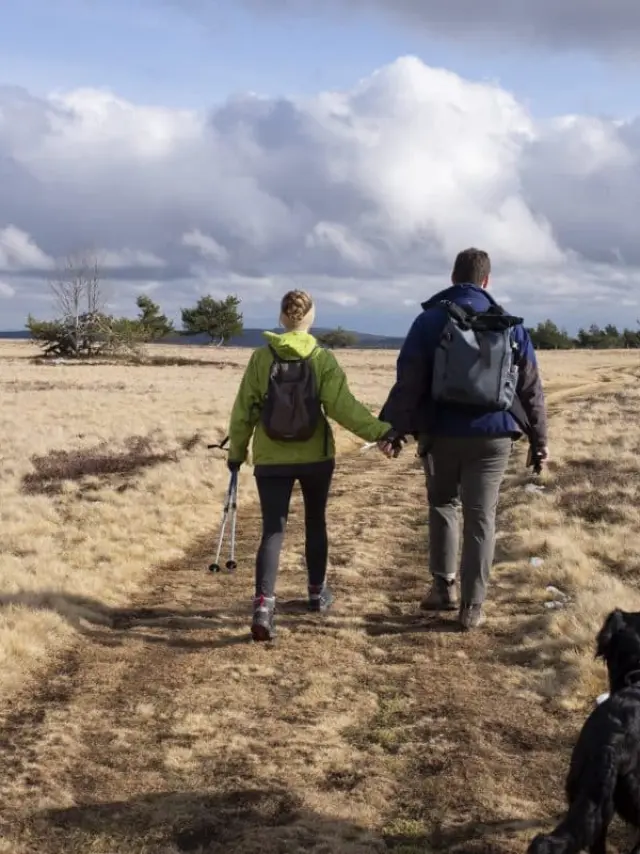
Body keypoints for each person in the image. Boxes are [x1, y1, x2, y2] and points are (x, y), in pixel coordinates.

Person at [378, 247, 548, 631]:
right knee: (481, 516)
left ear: (453, 278)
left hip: (440, 432)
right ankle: (472, 607)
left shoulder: (430, 320)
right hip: (494, 434)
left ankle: (443, 588)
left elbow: (409, 380)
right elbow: (531, 387)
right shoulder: (510, 324)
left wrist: (397, 428)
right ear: (486, 280)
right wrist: (540, 440)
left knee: (442, 504)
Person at [226, 289, 401, 642]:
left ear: (281, 318)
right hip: (316, 459)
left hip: (271, 459)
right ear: (310, 318)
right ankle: (316, 593)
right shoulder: (322, 359)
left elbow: (244, 409)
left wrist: (236, 453)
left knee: (273, 531)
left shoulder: (261, 359)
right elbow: (344, 408)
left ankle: (263, 605)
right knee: (315, 521)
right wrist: (382, 432)